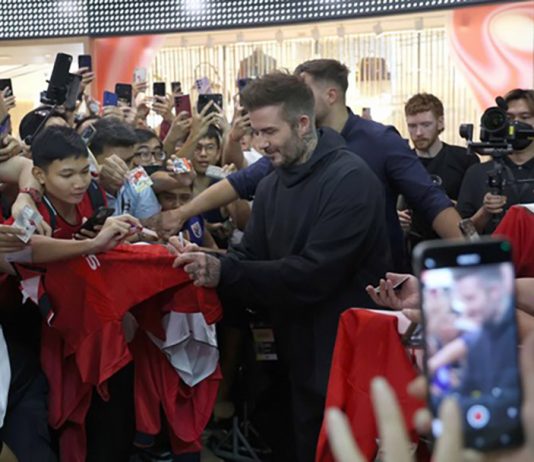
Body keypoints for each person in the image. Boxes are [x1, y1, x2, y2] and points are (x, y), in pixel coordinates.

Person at [172, 72, 390, 462]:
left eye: (269, 132)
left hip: (342, 357)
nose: (260, 144)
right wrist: (204, 261)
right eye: (255, 133)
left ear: (303, 123)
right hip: (288, 355)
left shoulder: (350, 179)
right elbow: (251, 257)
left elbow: (315, 274)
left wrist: (226, 271)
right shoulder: (273, 184)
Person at [160, 59, 462, 270]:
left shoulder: (380, 141)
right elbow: (239, 182)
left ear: (331, 95)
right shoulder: (297, 145)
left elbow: (430, 200)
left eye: (302, 89)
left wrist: (469, 261)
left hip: (371, 281)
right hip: (303, 283)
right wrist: (181, 214)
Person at [400, 93, 479, 245]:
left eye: (426, 125)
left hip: (455, 243)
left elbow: (475, 209)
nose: (418, 133)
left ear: (440, 122)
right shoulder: (401, 163)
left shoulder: (464, 159)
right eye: (412, 126)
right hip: (412, 246)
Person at [457, 89, 534, 234]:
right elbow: (462, 234)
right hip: (493, 248)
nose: (516, 124)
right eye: (509, 118)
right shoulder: (477, 173)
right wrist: (485, 212)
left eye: (525, 117)